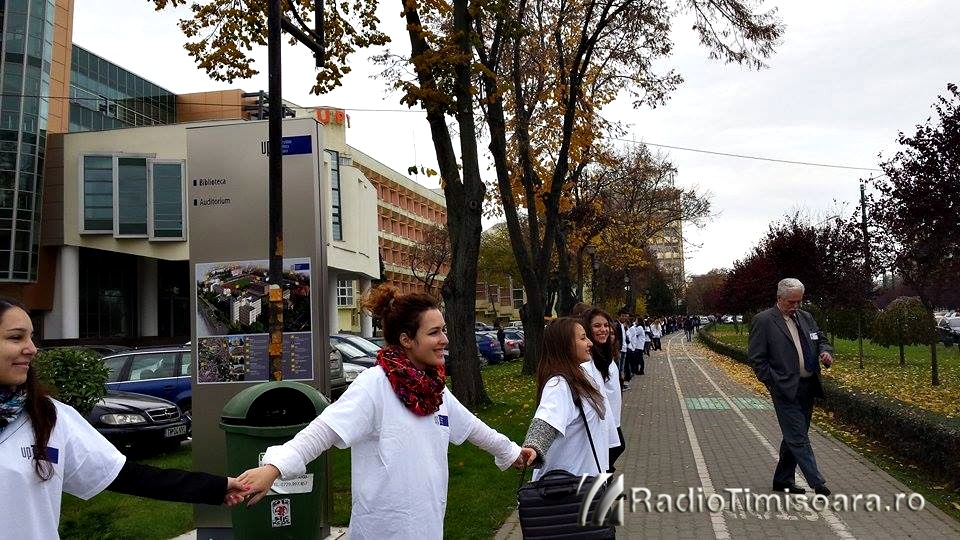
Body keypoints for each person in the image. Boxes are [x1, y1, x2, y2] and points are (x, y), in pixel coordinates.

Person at [237, 285, 535, 539]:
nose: (444, 339)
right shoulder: (374, 385)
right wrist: (273, 469)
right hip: (383, 529)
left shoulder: (434, 390)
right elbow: (322, 431)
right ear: (406, 340)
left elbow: (472, 428)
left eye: (443, 330)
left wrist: (511, 452)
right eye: (434, 332)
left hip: (427, 526)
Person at [0, 297, 246, 539]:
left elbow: (127, 476)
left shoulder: (49, 417)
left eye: (32, 337)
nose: (32, 349)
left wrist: (215, 487)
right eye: (16, 337)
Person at [748, 278, 834, 496]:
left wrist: (825, 352)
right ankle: (817, 482)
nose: (796, 306)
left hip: (808, 386)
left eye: (799, 301)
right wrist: (773, 382)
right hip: (784, 388)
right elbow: (757, 358)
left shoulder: (806, 317)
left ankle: (782, 480)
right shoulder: (764, 321)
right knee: (797, 436)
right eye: (791, 302)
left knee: (795, 434)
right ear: (779, 298)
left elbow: (821, 339)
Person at [521, 318, 619, 480]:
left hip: (585, 482)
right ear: (565, 345)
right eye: (583, 338)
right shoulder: (559, 384)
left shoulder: (581, 374)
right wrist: (534, 446)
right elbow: (546, 420)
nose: (590, 343)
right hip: (566, 487)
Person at [579, 307, 625, 472]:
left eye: (606, 325)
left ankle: (603, 477)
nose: (603, 329)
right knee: (613, 449)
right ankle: (602, 478)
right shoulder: (588, 359)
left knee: (613, 450)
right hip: (602, 418)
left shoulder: (606, 355)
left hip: (613, 415)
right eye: (597, 326)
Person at [615, 309, 631, 390]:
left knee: (622, 369)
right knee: (618, 369)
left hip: (624, 349)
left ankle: (621, 384)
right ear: (619, 316)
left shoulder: (623, 325)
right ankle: (618, 385)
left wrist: (627, 341)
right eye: (622, 316)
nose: (624, 317)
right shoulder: (616, 325)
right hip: (619, 350)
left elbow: (624, 337)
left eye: (625, 316)